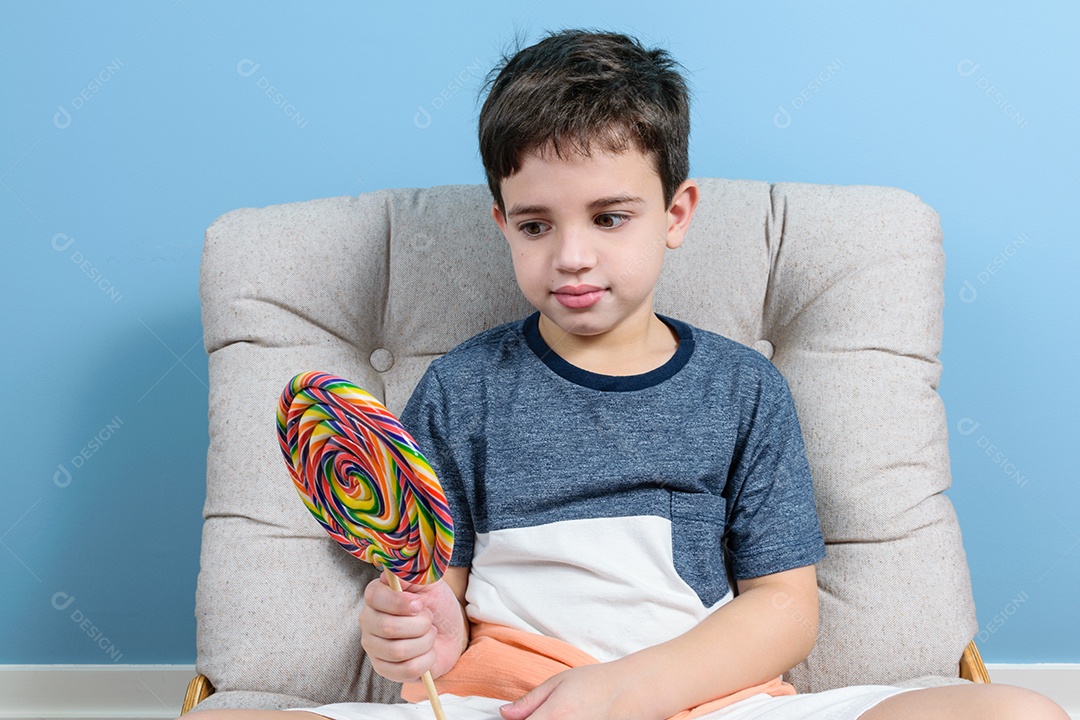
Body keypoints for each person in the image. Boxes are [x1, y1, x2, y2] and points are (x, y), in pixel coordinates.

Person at [191, 29, 1067, 720]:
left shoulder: (741, 391)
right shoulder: (462, 389)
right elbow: (436, 589)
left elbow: (784, 608)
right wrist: (416, 632)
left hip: (704, 701)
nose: (572, 256)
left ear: (676, 214)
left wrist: (630, 690)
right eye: (536, 225)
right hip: (509, 704)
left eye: (610, 217)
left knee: (1021, 711)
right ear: (502, 224)